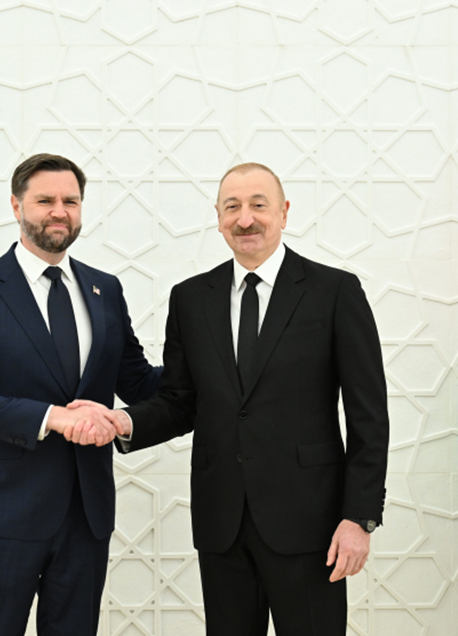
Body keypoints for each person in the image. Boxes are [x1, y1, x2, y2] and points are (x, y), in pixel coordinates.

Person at [70, 162, 389, 635]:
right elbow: (181, 401)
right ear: (218, 217)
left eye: (259, 205)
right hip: (222, 522)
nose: (245, 219)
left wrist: (359, 518)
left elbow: (369, 416)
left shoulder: (335, 292)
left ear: (284, 212)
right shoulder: (190, 298)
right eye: (232, 207)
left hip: (311, 523)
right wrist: (125, 422)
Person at [0, 153, 161, 636]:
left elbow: (138, 382)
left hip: (86, 514)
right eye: (45, 201)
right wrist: (52, 417)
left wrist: (214, 361)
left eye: (70, 201)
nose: (59, 211)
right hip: (5, 516)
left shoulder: (105, 289)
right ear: (16, 206)